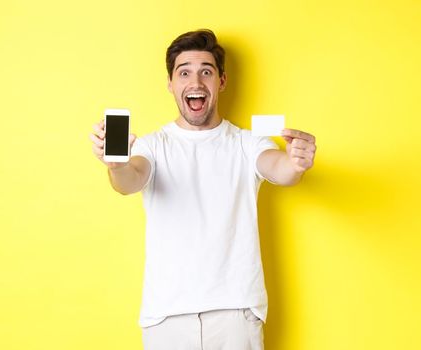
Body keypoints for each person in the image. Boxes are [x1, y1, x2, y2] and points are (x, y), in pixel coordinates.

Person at [88, 29, 317, 350]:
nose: (195, 82)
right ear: (170, 84)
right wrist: (116, 164)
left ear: (221, 81)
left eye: (206, 72)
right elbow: (129, 181)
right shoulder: (151, 146)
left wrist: (295, 164)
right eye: (184, 73)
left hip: (235, 312)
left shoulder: (247, 143)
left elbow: (279, 169)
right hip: (167, 316)